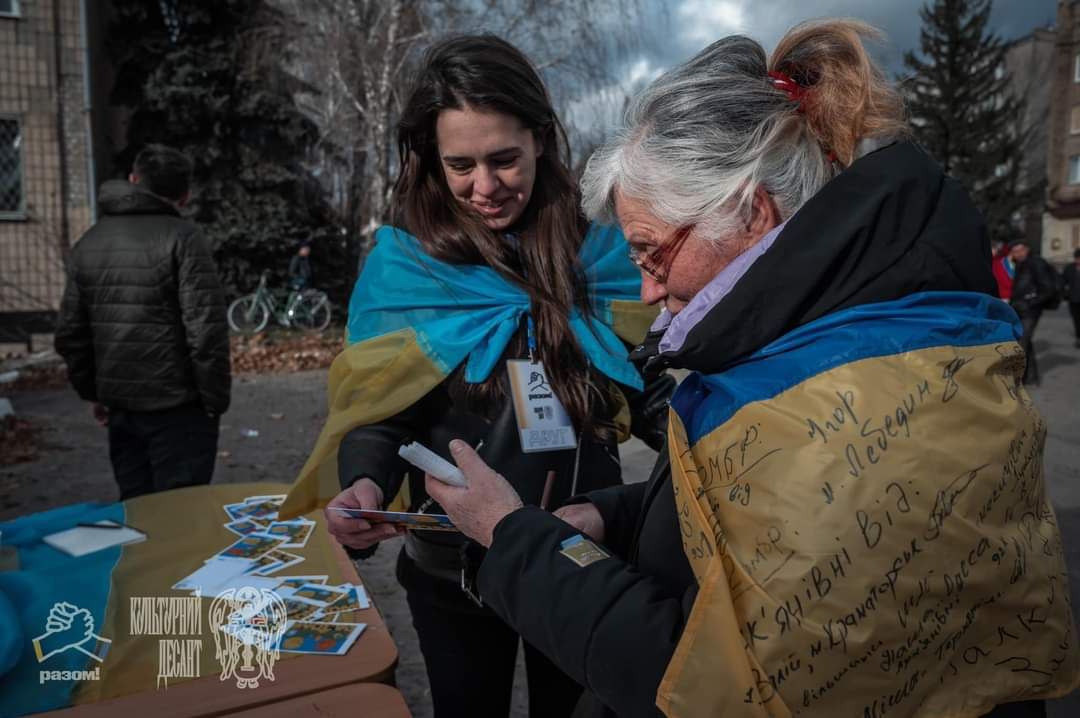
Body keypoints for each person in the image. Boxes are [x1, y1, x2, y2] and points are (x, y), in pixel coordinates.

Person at [423, 20, 1080, 718]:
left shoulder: (837, 400)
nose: (645, 289)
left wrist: (514, 538)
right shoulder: (830, 335)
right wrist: (613, 517)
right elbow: (737, 512)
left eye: (650, 252)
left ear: (750, 214)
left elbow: (706, 685)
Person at [278, 36, 673, 718]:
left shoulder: (600, 254)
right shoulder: (408, 267)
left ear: (542, 141)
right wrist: (366, 479)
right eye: (460, 165)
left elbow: (645, 381)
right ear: (432, 158)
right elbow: (382, 406)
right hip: (452, 564)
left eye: (503, 160)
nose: (484, 188)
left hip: (580, 555)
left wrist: (727, 447)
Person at [55, 144, 230, 500]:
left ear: (135, 180)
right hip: (179, 410)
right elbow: (205, 331)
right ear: (183, 195)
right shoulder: (183, 239)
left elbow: (71, 333)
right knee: (181, 515)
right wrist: (214, 399)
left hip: (122, 409)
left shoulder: (89, 242)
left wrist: (95, 392)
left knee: (136, 515)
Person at [1009, 240, 1059, 385]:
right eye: (1014, 251)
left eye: (1020, 250)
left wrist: (1030, 302)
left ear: (1027, 249)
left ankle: (1017, 380)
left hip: (1029, 311)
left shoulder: (1036, 263)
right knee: (1025, 342)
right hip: (1020, 309)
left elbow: (1048, 289)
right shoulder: (1021, 264)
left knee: (1021, 344)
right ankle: (1031, 377)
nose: (1017, 254)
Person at [1062, 248, 1080, 347]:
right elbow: (1062, 281)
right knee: (1076, 319)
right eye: (1077, 258)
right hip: (1073, 299)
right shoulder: (1069, 268)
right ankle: (1078, 338)